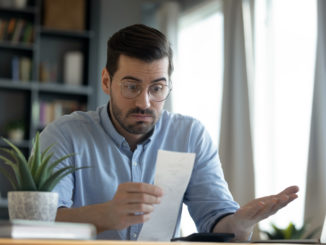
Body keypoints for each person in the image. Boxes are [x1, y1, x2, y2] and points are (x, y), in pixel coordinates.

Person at [39, 24, 299, 241]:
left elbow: (216, 222)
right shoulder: (64, 135)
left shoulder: (189, 136)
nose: (145, 102)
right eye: (131, 86)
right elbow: (39, 221)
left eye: (157, 88)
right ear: (107, 81)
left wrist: (241, 224)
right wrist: (106, 215)